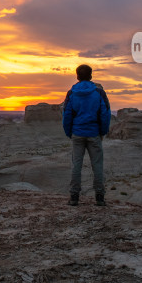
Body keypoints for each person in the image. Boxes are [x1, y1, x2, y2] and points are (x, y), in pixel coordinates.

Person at [62, 64, 111, 206]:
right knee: (97, 165)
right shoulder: (99, 92)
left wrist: (69, 132)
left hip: (77, 133)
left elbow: (67, 114)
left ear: (77, 76)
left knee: (76, 165)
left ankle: (74, 197)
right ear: (91, 76)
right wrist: (102, 131)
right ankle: (100, 197)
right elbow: (105, 113)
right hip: (94, 133)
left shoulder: (71, 93)